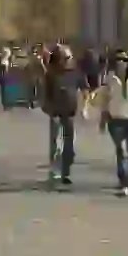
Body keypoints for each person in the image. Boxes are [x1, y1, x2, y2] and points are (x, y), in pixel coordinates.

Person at [95, 49, 128, 196]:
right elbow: (104, 99)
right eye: (118, 60)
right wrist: (103, 119)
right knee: (122, 149)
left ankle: (124, 178)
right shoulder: (110, 78)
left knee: (127, 152)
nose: (121, 63)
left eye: (124, 60)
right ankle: (125, 184)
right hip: (115, 118)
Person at [42, 45, 83, 184]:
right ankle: (56, 171)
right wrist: (48, 109)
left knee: (69, 146)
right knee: (57, 146)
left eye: (70, 57)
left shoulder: (74, 73)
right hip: (56, 114)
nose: (69, 60)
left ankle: (66, 171)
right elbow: (45, 94)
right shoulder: (51, 74)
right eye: (66, 58)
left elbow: (84, 88)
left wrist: (86, 106)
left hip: (70, 113)